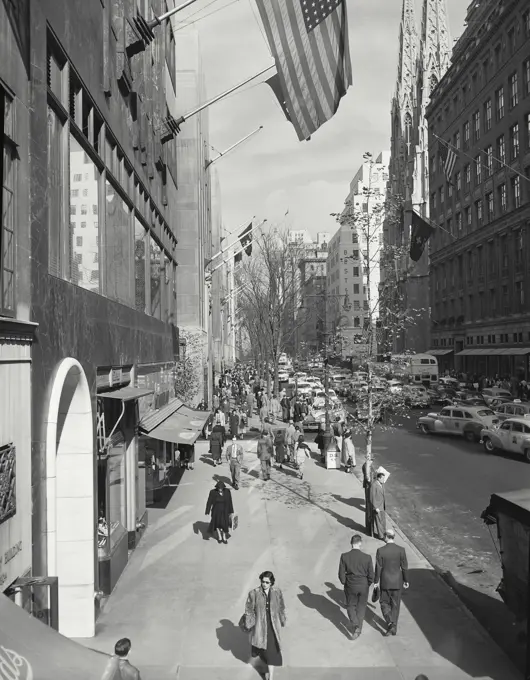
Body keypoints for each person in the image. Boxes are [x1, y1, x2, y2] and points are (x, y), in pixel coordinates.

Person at [243, 571, 286, 680]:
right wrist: (250, 623)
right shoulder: (254, 593)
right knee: (262, 650)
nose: (264, 584)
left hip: (273, 626)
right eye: (263, 581)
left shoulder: (277, 592)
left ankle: (270, 676)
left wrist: (282, 619)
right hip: (260, 626)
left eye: (267, 582)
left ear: (271, 583)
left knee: (271, 651)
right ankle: (266, 669)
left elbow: (281, 607)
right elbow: (249, 610)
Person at [374, 529, 409, 636]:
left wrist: (376, 581)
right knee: (395, 605)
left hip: (385, 582)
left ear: (386, 536)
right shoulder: (401, 550)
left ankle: (390, 623)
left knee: (384, 602)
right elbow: (404, 567)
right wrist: (406, 580)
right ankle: (394, 625)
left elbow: (378, 567)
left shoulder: (380, 550)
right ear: (393, 536)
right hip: (397, 582)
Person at [338, 534, 374, 640]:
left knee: (350, 606)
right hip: (363, 585)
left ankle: (355, 625)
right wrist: (367, 584)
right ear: (360, 543)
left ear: (351, 543)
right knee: (361, 607)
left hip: (351, 585)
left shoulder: (344, 556)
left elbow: (341, 574)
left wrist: (345, 582)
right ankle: (358, 629)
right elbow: (371, 575)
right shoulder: (367, 557)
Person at [370, 471, 387, 539]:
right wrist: (375, 507)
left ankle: (384, 533)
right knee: (379, 522)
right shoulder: (374, 485)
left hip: (382, 506)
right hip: (377, 507)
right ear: (379, 478)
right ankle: (381, 536)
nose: (384, 480)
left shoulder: (381, 484)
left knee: (383, 521)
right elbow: (372, 497)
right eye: (382, 478)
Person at [362, 453, 375, 535]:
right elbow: (367, 477)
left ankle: (369, 528)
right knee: (369, 504)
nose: (372, 461)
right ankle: (370, 529)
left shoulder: (367, 465)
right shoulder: (367, 465)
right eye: (372, 460)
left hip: (368, 486)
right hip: (369, 487)